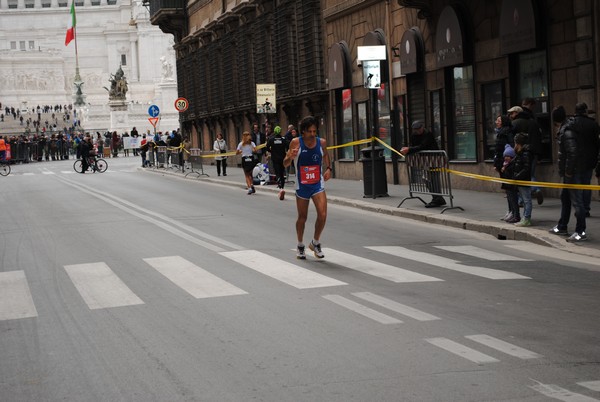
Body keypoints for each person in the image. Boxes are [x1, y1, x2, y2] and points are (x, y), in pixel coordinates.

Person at [283, 115, 332, 259]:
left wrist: (328, 168)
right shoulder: (295, 142)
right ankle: (300, 245)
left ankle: (315, 242)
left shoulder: (321, 142)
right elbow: (285, 163)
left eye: (314, 131)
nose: (312, 134)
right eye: (309, 131)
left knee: (322, 214)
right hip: (302, 185)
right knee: (302, 217)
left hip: (317, 184)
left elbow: (326, 155)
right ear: (303, 131)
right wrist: (290, 157)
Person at [549, 104, 600, 242]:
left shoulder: (568, 130)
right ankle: (562, 225)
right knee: (566, 197)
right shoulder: (589, 125)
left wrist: (569, 171)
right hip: (586, 165)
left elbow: (572, 152)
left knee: (577, 201)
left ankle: (580, 231)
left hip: (573, 170)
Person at [400, 120, 446, 208]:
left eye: (420, 128)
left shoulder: (428, 134)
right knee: (426, 180)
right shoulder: (413, 136)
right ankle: (437, 198)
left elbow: (422, 146)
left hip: (433, 160)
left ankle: (437, 199)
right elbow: (414, 147)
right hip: (424, 161)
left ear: (422, 127)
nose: (418, 130)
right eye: (416, 129)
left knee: (434, 179)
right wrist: (407, 151)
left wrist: (409, 150)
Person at [509, 99, 544, 205]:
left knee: (521, 175)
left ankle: (533, 191)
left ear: (517, 113)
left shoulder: (515, 123)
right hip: (533, 152)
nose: (510, 115)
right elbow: (539, 138)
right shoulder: (533, 122)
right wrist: (539, 154)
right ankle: (526, 197)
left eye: (512, 113)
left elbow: (511, 138)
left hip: (520, 152)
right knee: (529, 173)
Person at [570, 102, 600, 217]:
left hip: (576, 160)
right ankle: (586, 209)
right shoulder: (593, 124)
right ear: (585, 111)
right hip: (589, 160)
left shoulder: (572, 123)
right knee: (586, 184)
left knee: (577, 185)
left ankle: (579, 208)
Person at [493, 114, 515, 220]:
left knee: (509, 189)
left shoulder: (507, 132)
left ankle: (513, 211)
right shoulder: (500, 133)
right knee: (507, 189)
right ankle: (510, 210)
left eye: (498, 120)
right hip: (501, 162)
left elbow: (509, 148)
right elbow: (498, 150)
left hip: (506, 163)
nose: (496, 122)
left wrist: (505, 162)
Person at [512, 133, 533, 227]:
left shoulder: (525, 153)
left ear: (518, 143)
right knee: (524, 200)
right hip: (520, 178)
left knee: (527, 200)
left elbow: (526, 167)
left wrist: (518, 176)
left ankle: (527, 218)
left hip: (523, 179)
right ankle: (525, 217)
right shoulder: (521, 152)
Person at [265, 125, 289, 200]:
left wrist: (271, 151)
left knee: (277, 172)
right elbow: (288, 146)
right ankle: (282, 187)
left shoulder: (271, 139)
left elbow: (267, 147)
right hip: (282, 158)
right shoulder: (283, 139)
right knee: (282, 173)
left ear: (275, 132)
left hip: (275, 158)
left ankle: (280, 188)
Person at [500, 144, 520, 223]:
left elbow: (511, 175)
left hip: (512, 186)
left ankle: (516, 215)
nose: (506, 158)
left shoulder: (512, 165)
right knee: (510, 200)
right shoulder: (506, 164)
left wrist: (505, 169)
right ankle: (512, 213)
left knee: (514, 201)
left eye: (508, 156)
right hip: (508, 186)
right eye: (505, 156)